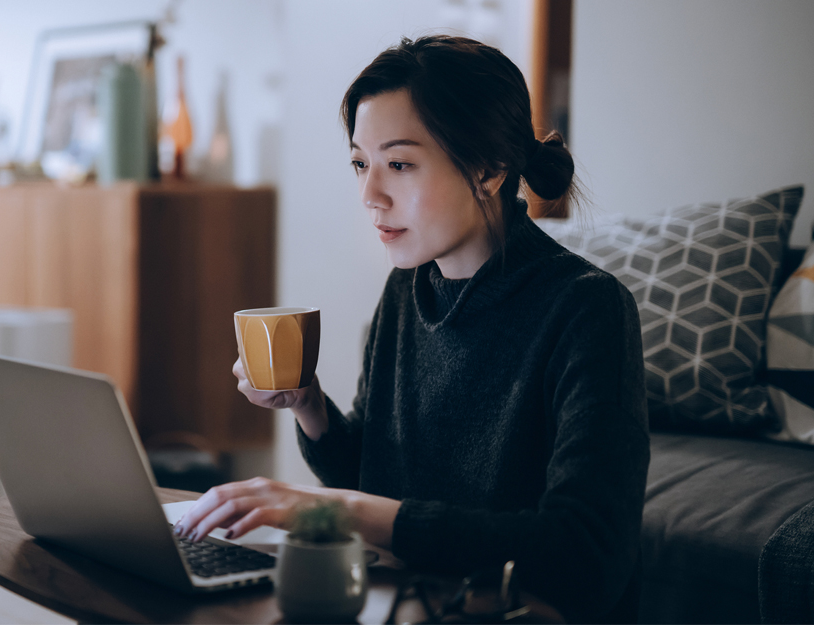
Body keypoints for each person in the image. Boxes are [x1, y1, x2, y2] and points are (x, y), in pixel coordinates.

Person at [173, 35, 649, 623]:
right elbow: (373, 477)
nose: (370, 195)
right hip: (406, 598)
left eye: (398, 164)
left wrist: (337, 508)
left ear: (490, 168)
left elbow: (586, 555)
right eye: (359, 164)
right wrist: (309, 404)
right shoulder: (408, 289)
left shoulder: (587, 309)